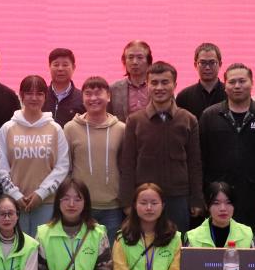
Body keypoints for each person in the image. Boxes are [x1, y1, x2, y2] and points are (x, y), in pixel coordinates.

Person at [199, 63, 255, 239]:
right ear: (225, 86)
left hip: (253, 197)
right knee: (216, 243)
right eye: (232, 82)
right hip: (217, 197)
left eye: (242, 81)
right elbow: (200, 159)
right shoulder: (209, 116)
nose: (237, 86)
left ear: (252, 83)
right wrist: (202, 194)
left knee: (247, 243)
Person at [119, 61, 203, 233]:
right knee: (145, 243)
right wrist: (127, 201)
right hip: (145, 198)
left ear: (175, 85)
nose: (159, 88)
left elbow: (195, 163)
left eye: (165, 82)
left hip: (178, 197)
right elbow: (127, 164)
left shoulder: (188, 120)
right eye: (154, 83)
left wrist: (196, 199)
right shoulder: (135, 121)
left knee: (176, 244)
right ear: (147, 85)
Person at [0, 75, 71, 234]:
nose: (34, 98)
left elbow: (62, 166)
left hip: (47, 203)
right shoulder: (7, 129)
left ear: (45, 97)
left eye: (39, 94)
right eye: (29, 93)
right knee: (17, 245)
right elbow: (1, 167)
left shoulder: (55, 129)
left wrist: (41, 193)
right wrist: (15, 194)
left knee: (43, 247)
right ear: (21, 95)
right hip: (14, 203)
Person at [65, 76, 125, 243]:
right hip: (80, 206)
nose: (93, 98)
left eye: (98, 93)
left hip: (113, 208)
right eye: (88, 94)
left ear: (109, 96)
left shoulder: (121, 129)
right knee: (81, 253)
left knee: (111, 254)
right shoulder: (70, 128)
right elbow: (66, 168)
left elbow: (126, 168)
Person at [113, 183, 181, 270]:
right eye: (143, 203)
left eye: (154, 203)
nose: (149, 208)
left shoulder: (174, 238)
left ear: (162, 206)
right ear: (135, 206)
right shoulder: (122, 238)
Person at [184, 182, 254, 248]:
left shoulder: (247, 234)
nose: (223, 208)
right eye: (216, 203)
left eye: (228, 203)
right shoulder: (192, 237)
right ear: (207, 206)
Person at [175, 42, 227, 121]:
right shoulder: (183, 97)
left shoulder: (230, 94)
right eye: (202, 63)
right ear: (195, 65)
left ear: (220, 64)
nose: (207, 67)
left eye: (212, 62)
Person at [107, 40, 152, 122]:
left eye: (140, 57)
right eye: (130, 57)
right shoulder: (113, 89)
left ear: (149, 62)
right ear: (124, 62)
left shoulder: (158, 87)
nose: (135, 62)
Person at [43, 48, 85, 126]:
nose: (60, 69)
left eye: (65, 65)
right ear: (49, 66)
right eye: (56, 65)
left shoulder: (82, 98)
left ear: (73, 67)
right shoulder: (41, 96)